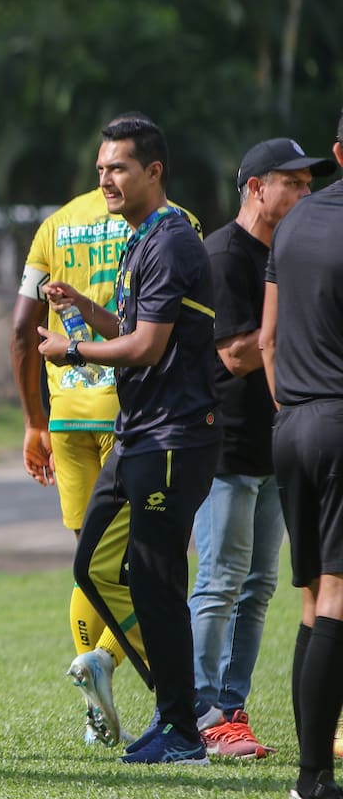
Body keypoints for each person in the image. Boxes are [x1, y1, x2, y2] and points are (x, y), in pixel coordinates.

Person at [10, 112, 202, 748]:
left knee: (155, 576)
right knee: (94, 563)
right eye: (101, 169)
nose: (106, 179)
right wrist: (87, 311)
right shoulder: (138, 239)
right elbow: (128, 329)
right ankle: (173, 706)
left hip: (172, 436)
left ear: (154, 171)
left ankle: (181, 723)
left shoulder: (172, 239)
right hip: (137, 433)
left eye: (118, 168)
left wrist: (72, 352)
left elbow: (146, 348)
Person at [190, 137, 334, 759]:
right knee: (220, 583)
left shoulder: (288, 249)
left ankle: (234, 706)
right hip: (224, 444)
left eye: (308, 184)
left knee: (260, 588)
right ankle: (203, 711)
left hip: (275, 443)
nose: (305, 192)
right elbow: (233, 350)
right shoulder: (224, 254)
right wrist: (299, 332)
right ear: (256, 188)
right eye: (293, 183)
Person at [259, 113, 343, 799]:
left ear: (339, 152)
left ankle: (308, 778)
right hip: (342, 422)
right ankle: (315, 776)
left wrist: (296, 410)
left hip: (292, 424)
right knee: (340, 596)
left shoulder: (292, 224)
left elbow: (265, 339)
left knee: (316, 599)